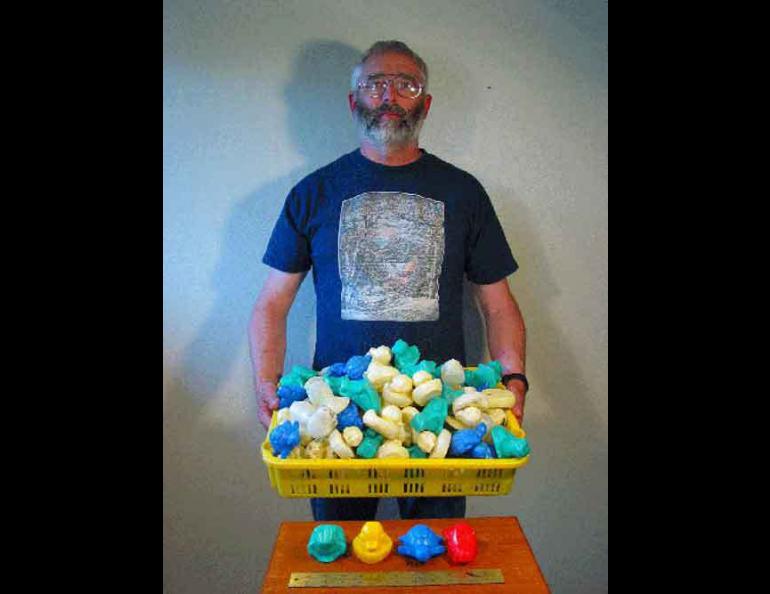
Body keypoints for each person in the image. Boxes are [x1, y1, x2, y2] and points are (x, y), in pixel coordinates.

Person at [249, 40, 528, 521]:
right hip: (336, 415)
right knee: (342, 553)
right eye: (374, 84)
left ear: (426, 103)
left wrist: (514, 377)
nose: (389, 96)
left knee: (436, 554)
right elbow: (272, 305)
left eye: (406, 84)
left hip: (439, 411)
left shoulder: (464, 192)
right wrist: (265, 383)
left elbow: (498, 305)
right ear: (353, 101)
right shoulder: (313, 193)